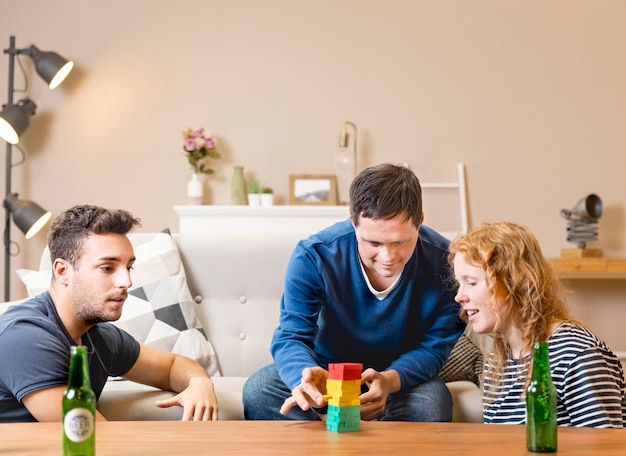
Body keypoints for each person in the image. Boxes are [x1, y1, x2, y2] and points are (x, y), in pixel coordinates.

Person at [243, 163, 465, 421]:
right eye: (373, 243)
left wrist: (390, 381)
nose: (388, 257)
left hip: (399, 377)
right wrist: (304, 375)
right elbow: (291, 335)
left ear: (420, 222)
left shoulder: (447, 262)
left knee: (432, 405)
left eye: (400, 242)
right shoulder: (314, 256)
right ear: (353, 223)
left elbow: (433, 349)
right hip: (325, 371)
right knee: (259, 391)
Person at [0, 204, 219, 422]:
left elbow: (172, 366)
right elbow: (92, 437)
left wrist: (200, 382)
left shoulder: (101, 337)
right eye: (107, 268)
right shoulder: (25, 337)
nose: (127, 281)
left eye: (129, 267)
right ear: (62, 271)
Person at [449, 221, 626, 427]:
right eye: (459, 283)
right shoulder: (496, 364)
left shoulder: (576, 354)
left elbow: (604, 448)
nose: (459, 296)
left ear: (513, 281)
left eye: (471, 282)